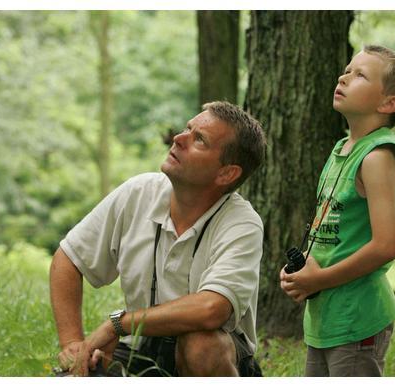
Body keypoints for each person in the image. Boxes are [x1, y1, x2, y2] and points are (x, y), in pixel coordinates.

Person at [50, 101, 266, 377]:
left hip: (217, 357)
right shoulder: (138, 192)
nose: (179, 139)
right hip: (138, 350)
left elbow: (212, 308)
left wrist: (118, 324)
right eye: (188, 129)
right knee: (77, 374)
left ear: (227, 173)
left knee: (200, 344)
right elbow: (68, 258)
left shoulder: (242, 223)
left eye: (199, 139)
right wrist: (73, 344)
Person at [280, 45, 395, 376]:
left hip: (357, 317)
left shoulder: (377, 157)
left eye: (360, 75)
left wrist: (320, 278)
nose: (343, 77)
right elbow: (330, 227)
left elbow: (386, 246)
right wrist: (304, 270)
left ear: (389, 103)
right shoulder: (342, 149)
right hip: (326, 316)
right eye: (347, 70)